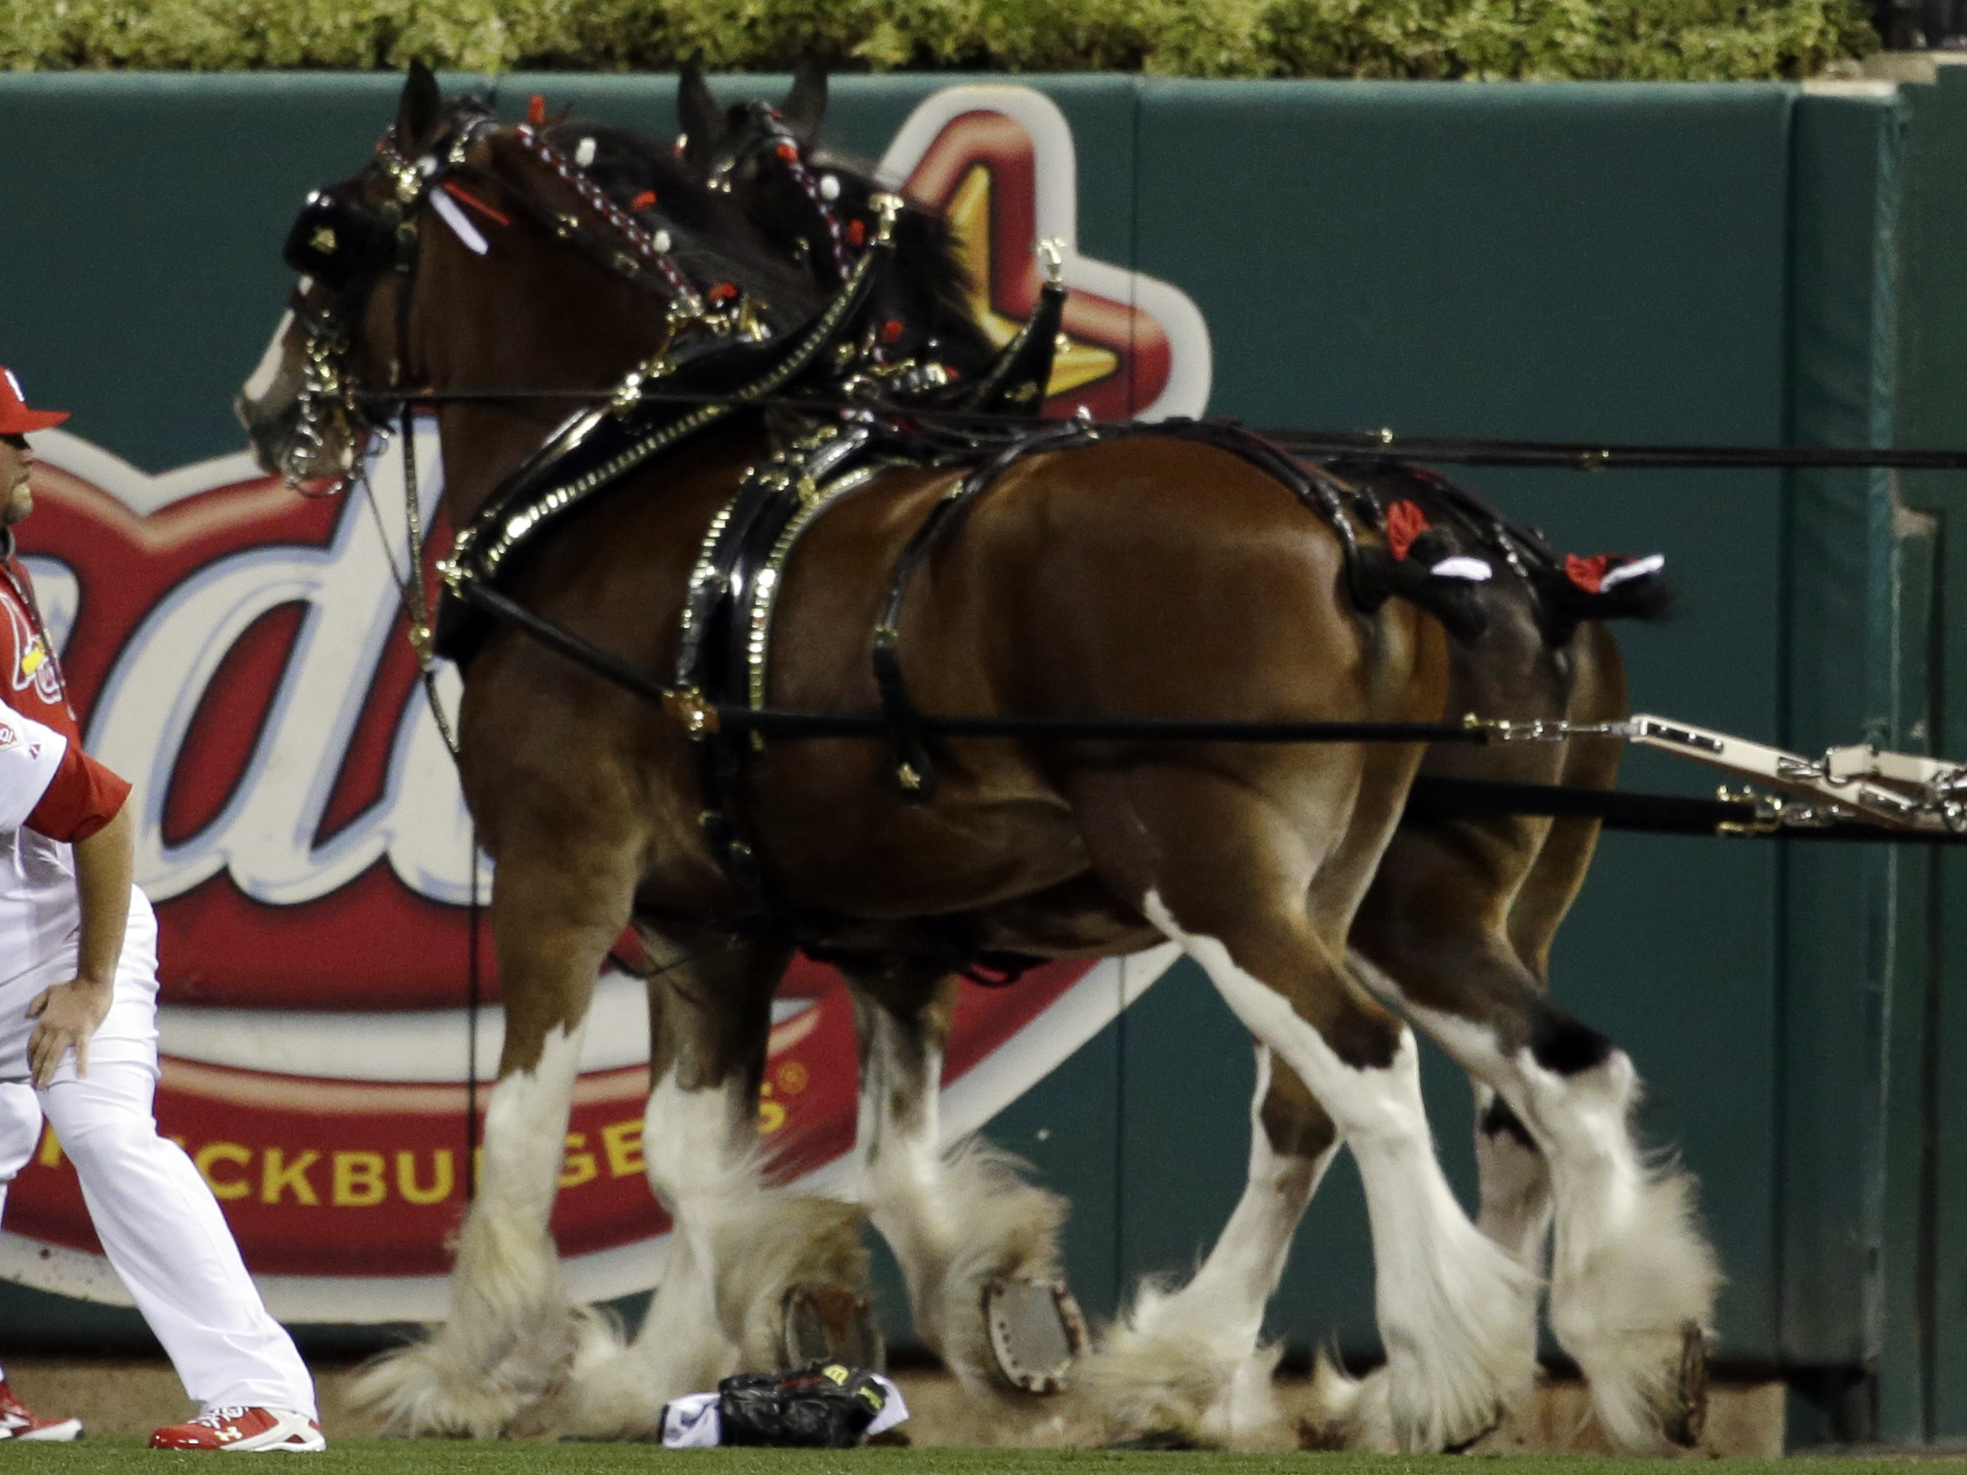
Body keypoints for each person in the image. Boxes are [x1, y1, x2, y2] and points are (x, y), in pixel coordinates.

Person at [0, 368, 323, 1452]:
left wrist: (90, 982)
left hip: (57, 928)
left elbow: (98, 814)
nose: (28, 458)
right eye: (14, 441)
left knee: (105, 1134)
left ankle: (266, 1397)